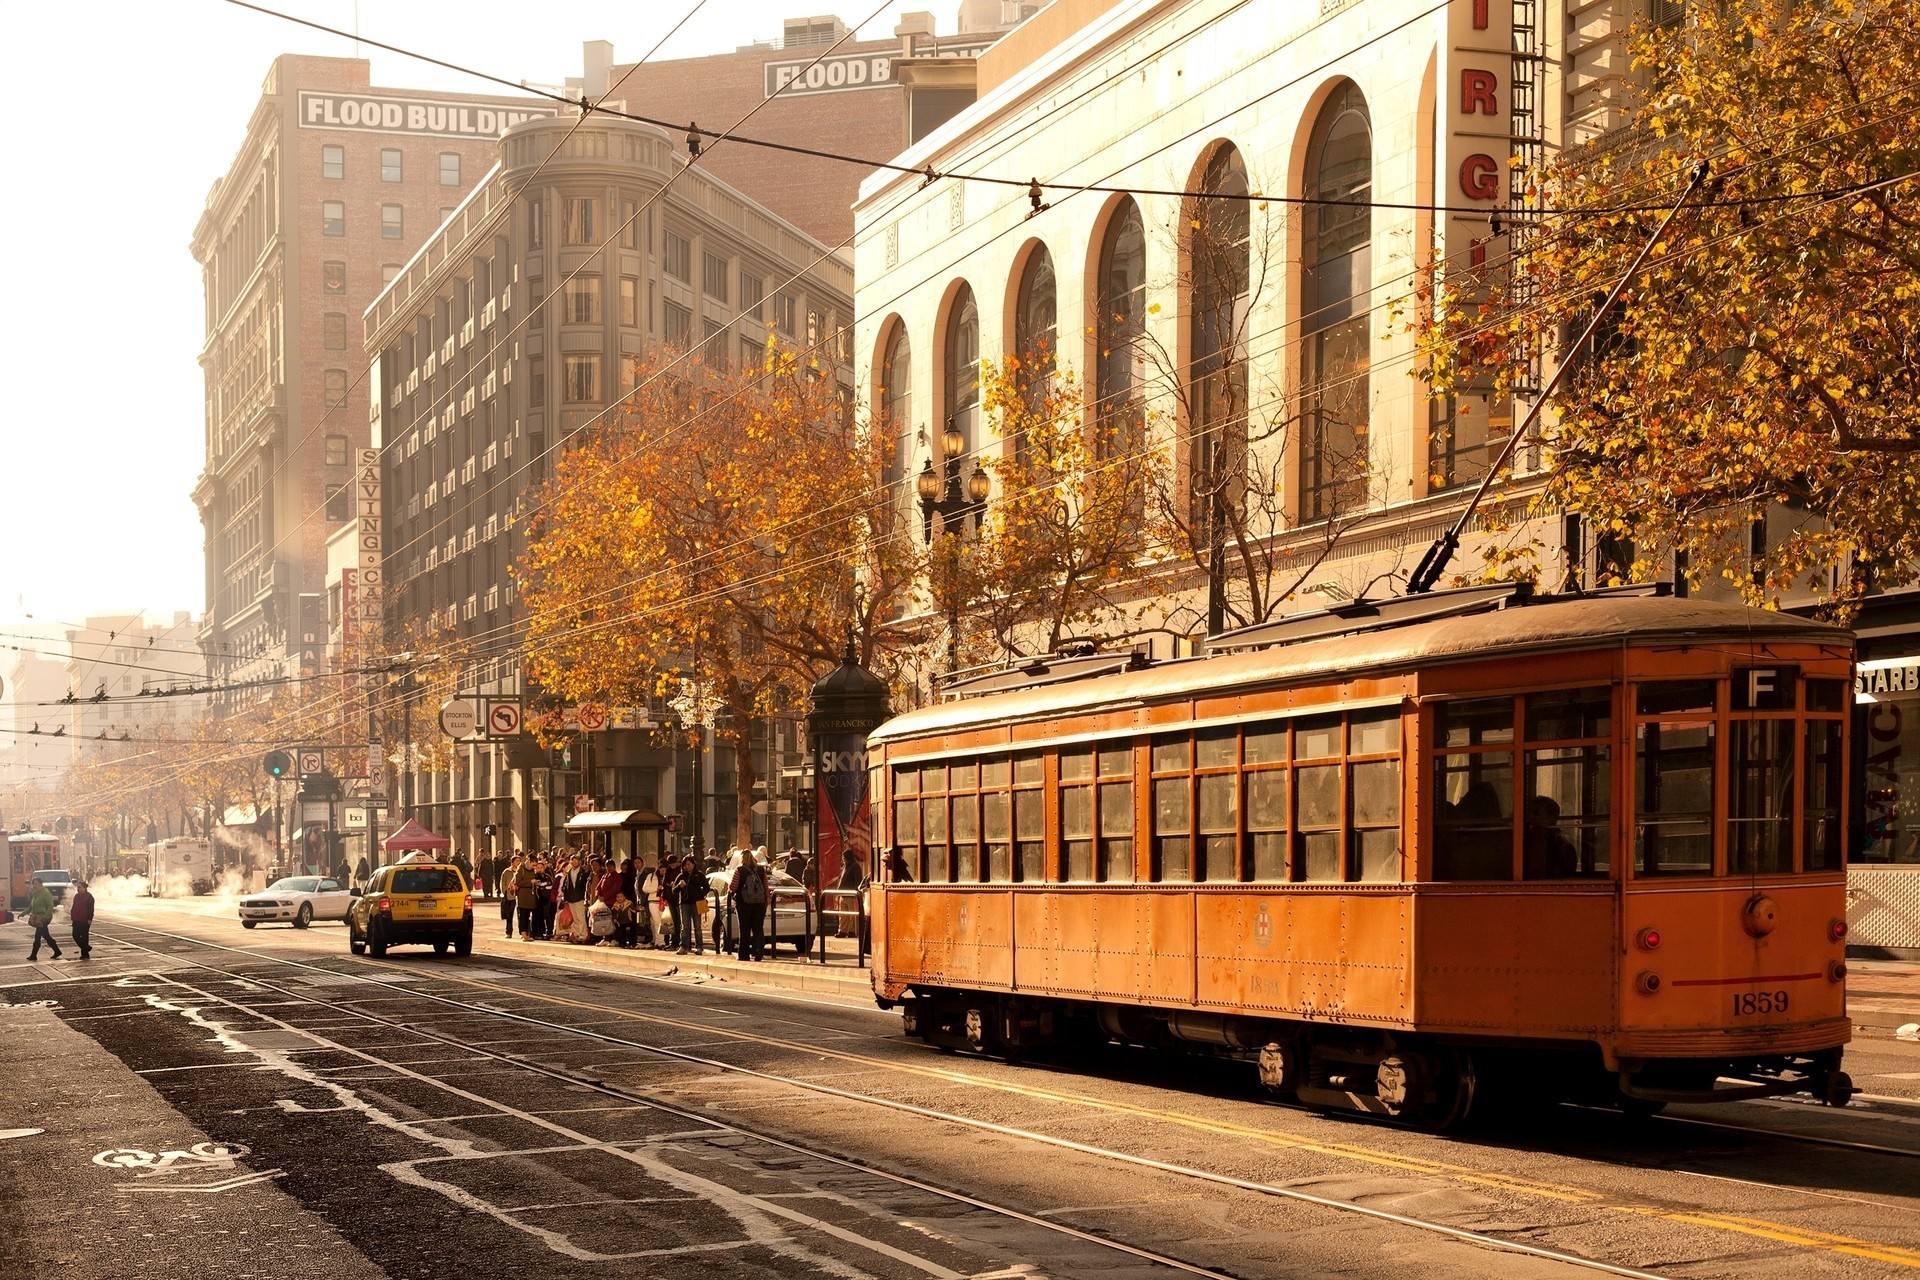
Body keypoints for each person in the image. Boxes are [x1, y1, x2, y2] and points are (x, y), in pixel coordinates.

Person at [729, 848, 769, 961]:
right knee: (758, 929)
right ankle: (758, 953)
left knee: (744, 929)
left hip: (744, 904)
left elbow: (733, 887)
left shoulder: (739, 870)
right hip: (759, 904)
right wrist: (766, 900)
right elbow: (765, 887)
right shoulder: (761, 870)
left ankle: (743, 955)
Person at [672, 854, 706, 955]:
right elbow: (673, 890)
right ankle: (683, 946)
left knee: (697, 926)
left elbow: (706, 887)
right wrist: (679, 885)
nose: (687, 866)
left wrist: (700, 895)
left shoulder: (699, 875)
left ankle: (699, 946)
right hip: (684, 904)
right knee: (685, 926)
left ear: (693, 864)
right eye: (684, 865)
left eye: (688, 864)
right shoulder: (681, 876)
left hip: (697, 903)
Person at [25, 875, 61, 961]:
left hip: (44, 918)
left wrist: (45, 917)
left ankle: (33, 955)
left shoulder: (45, 893)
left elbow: (50, 906)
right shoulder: (35, 893)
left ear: (41, 884)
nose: (34, 885)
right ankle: (57, 951)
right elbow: (31, 906)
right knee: (46, 936)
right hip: (38, 918)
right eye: (33, 884)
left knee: (37, 936)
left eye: (36, 884)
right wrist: (23, 913)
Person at [68, 878, 95, 960]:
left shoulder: (89, 897)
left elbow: (91, 909)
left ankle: (85, 953)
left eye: (80, 887)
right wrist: (72, 914)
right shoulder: (76, 896)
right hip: (76, 919)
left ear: (84, 888)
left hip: (84, 920)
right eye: (78, 887)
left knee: (84, 937)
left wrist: (89, 919)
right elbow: (74, 906)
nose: (78, 889)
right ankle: (86, 948)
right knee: (75, 935)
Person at [500, 853, 524, 938]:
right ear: (512, 862)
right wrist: (505, 892)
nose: (518, 863)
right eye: (517, 861)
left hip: (519, 896)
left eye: (519, 861)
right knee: (509, 915)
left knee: (520, 916)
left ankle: (522, 933)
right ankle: (508, 932)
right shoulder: (507, 872)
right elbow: (502, 883)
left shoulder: (522, 871)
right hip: (509, 897)